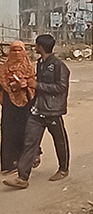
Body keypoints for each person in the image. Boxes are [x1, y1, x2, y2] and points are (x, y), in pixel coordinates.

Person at [4, 35, 70, 189]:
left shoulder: (58, 66)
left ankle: (63, 169)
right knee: (30, 142)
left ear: (41, 47)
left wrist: (37, 85)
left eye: (36, 45)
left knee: (60, 141)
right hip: (38, 109)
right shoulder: (40, 63)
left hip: (52, 110)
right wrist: (28, 84)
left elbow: (61, 88)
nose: (34, 47)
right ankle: (23, 177)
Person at [0, 42, 38, 175]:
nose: (16, 53)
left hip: (26, 102)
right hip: (9, 103)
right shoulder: (3, 68)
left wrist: (25, 84)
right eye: (14, 51)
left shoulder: (29, 67)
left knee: (26, 130)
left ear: (24, 52)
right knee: (9, 131)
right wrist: (10, 85)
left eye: (19, 50)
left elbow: (34, 84)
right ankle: (9, 163)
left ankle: (28, 159)